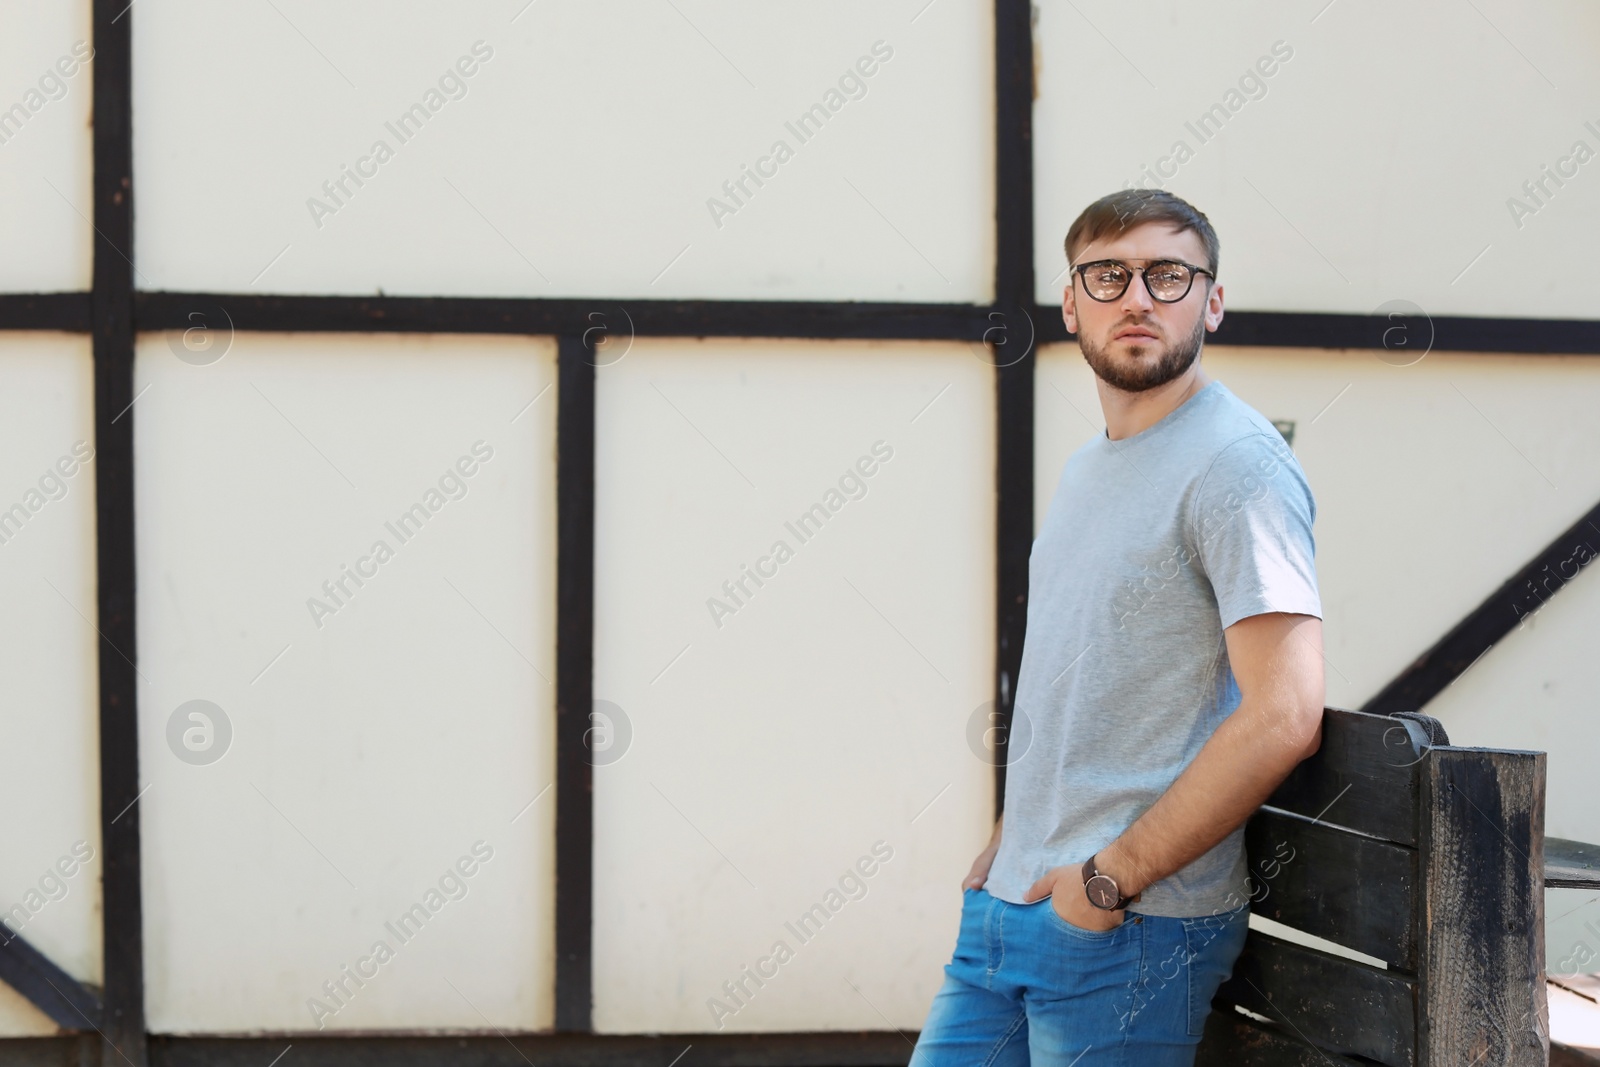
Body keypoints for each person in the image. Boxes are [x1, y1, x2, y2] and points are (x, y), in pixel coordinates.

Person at [911, 188, 1326, 1065]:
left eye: (1167, 273)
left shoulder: (1238, 466)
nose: (1137, 298)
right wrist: (1009, 843)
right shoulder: (1089, 469)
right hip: (1014, 906)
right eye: (1108, 275)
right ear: (1072, 305)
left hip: (1127, 924)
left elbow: (1285, 711)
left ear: (1211, 301)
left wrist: (1107, 879)